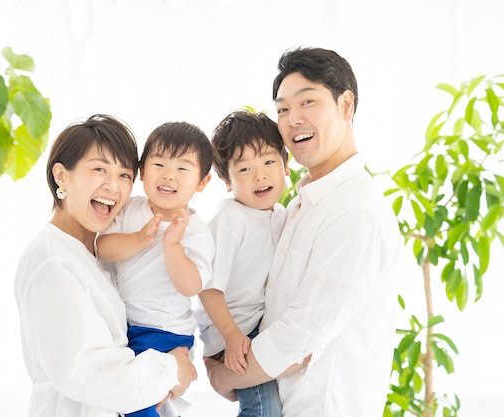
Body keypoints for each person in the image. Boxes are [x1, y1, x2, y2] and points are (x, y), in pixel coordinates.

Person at [205, 46, 403, 417]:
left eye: (307, 102)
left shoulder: (355, 212)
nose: (292, 119)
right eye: (282, 109)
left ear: (346, 105)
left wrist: (220, 377)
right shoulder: (295, 206)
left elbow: (298, 337)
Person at [14, 114, 197, 417]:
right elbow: (87, 373)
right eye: (99, 169)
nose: (113, 186)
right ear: (61, 176)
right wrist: (173, 368)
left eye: (125, 175)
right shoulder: (50, 259)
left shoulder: (102, 255)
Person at [96, 121, 215, 417]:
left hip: (165, 331)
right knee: (138, 399)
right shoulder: (130, 209)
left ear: (202, 182)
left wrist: (172, 246)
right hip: (128, 328)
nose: (168, 175)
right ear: (142, 171)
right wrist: (138, 240)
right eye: (159, 163)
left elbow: (191, 286)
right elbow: (103, 248)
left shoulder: (195, 231)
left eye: (183, 169)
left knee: (139, 401)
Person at [196, 109, 289, 417]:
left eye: (268, 162)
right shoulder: (230, 220)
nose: (260, 175)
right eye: (245, 169)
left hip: (257, 329)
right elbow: (208, 288)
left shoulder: (283, 216)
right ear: (227, 180)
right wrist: (233, 336)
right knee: (264, 411)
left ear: (286, 165)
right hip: (235, 332)